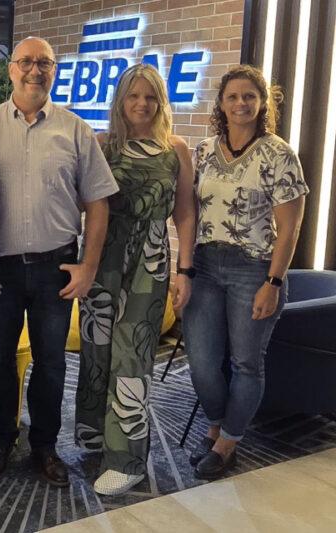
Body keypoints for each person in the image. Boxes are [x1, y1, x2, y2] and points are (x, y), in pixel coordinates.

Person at [0, 36, 118, 486]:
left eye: (44, 63)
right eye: (26, 62)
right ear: (11, 69)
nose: (35, 70)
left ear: (54, 71)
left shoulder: (75, 130)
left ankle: (44, 447)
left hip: (57, 268)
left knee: (51, 362)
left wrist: (89, 266)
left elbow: (98, 203)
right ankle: (0, 441)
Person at [73, 64, 196, 496]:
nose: (142, 104)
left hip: (150, 263)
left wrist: (185, 271)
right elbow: (81, 205)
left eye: (150, 97)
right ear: (120, 100)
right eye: (133, 96)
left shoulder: (175, 149)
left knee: (133, 358)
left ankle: (127, 461)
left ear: (161, 102)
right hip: (101, 258)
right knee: (96, 351)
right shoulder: (101, 145)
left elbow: (184, 213)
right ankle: (93, 439)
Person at [184, 64, 307, 480]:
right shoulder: (203, 151)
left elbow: (289, 227)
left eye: (249, 97)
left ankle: (227, 442)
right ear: (221, 103)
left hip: (253, 270)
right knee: (201, 361)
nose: (241, 104)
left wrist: (273, 283)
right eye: (233, 96)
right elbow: (189, 211)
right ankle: (218, 424)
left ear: (262, 103)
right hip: (204, 265)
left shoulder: (279, 154)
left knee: (246, 364)